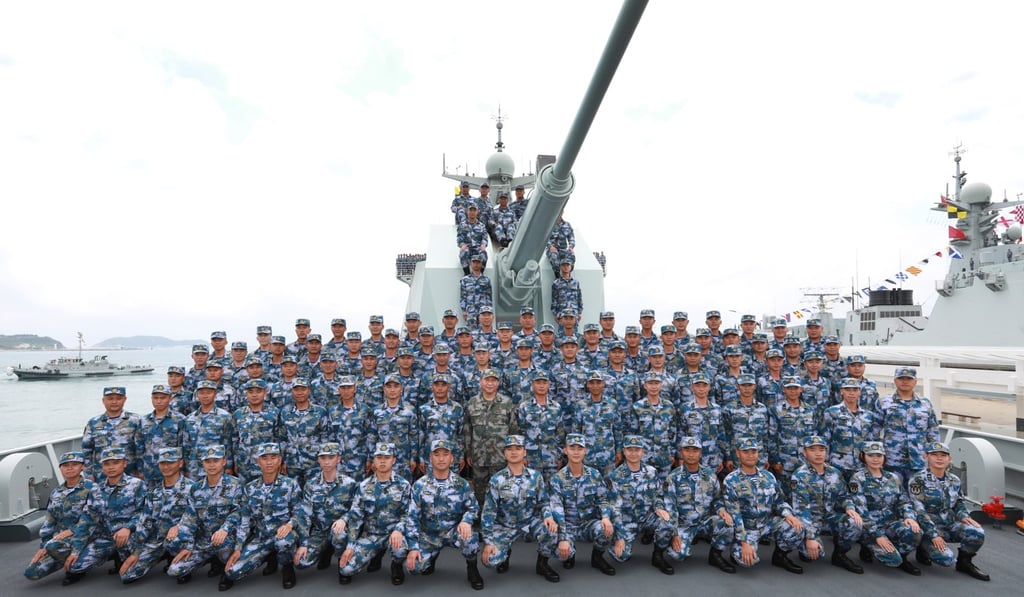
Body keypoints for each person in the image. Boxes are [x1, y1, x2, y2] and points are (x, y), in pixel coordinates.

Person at [401, 439, 484, 590]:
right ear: (430, 458)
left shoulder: (461, 484)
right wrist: (413, 547)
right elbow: (412, 518)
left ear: (451, 458)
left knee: (470, 537)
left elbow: (473, 508)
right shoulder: (419, 485)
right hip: (429, 535)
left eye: (445, 454)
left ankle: (472, 567)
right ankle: (431, 556)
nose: (441, 458)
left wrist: (466, 521)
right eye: (436, 454)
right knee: (413, 568)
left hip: (453, 531)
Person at [479, 435, 560, 582]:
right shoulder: (497, 480)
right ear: (504, 453)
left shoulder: (536, 477)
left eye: (518, 448)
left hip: (529, 523)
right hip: (506, 526)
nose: (514, 452)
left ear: (524, 452)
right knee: (489, 560)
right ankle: (505, 554)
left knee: (552, 530)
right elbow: (488, 513)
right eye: (509, 449)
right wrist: (488, 542)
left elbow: (543, 502)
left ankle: (542, 564)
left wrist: (548, 516)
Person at [223, 442, 302, 590]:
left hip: (283, 535)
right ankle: (269, 556)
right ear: (258, 462)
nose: (269, 462)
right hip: (261, 538)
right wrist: (238, 548)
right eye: (264, 458)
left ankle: (287, 566)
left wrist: (290, 524)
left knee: (283, 542)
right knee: (232, 572)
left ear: (279, 460)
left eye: (273, 457)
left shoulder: (291, 484)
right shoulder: (250, 488)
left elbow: (300, 512)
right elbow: (245, 520)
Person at [64, 448, 147, 583]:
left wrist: (128, 528)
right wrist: (75, 551)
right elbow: (87, 519)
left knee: (128, 576)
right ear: (102, 467)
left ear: (124, 463)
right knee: (74, 567)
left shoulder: (137, 485)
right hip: (107, 537)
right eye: (107, 464)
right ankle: (113, 554)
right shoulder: (97, 489)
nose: (111, 467)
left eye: (115, 463)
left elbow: (145, 512)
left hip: (130, 536)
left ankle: (130, 556)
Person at [909, 442, 990, 581]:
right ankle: (923, 546)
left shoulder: (954, 480)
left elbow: (959, 503)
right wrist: (933, 535)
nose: (939, 458)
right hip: (928, 528)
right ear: (926, 457)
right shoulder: (918, 480)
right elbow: (919, 510)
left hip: (948, 524)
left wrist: (964, 516)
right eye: (934, 455)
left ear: (949, 459)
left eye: (943, 455)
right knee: (946, 560)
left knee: (977, 532)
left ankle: (965, 563)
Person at [167, 444, 245, 590]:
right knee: (174, 569)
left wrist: (225, 529)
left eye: (216, 460)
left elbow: (239, 512)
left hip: (227, 539)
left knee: (227, 557)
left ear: (223, 461)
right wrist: (187, 545)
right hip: (204, 540)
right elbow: (190, 517)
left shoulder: (236, 484)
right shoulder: (196, 488)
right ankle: (207, 559)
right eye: (207, 461)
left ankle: (223, 567)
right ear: (202, 463)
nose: (211, 465)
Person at [721, 438, 804, 573]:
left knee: (796, 528)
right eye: (746, 452)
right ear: (738, 454)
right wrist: (744, 542)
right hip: (747, 528)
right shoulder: (731, 480)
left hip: (767, 524)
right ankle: (737, 550)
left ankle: (780, 556)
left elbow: (779, 501)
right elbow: (735, 515)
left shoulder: (768, 476)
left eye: (753, 452)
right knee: (746, 561)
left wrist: (789, 515)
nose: (750, 455)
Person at [656, 437, 735, 574]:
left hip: (705, 522)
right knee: (677, 555)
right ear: (681, 452)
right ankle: (657, 554)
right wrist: (675, 533)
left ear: (700, 453)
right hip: (683, 525)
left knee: (728, 523)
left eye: (695, 450)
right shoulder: (673, 477)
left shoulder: (709, 475)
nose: (691, 454)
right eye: (687, 450)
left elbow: (717, 499)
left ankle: (715, 555)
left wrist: (722, 511)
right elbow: (670, 508)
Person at [338, 442, 412, 586]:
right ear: (374, 460)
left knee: (400, 550)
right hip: (370, 535)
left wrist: (398, 530)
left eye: (387, 457)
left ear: (393, 460)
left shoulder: (403, 485)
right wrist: (350, 546)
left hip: (393, 534)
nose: (383, 461)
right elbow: (356, 517)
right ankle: (376, 554)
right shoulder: (364, 486)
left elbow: (408, 513)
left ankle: (396, 565)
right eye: (379, 457)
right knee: (345, 569)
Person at [788, 436, 864, 573]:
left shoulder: (835, 473)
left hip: (830, 517)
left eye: (821, 449)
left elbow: (844, 496)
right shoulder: (799, 475)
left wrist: (849, 507)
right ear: (805, 452)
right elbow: (801, 510)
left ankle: (840, 555)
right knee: (812, 554)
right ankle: (803, 546)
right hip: (811, 520)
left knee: (854, 522)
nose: (818, 453)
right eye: (813, 450)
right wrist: (810, 537)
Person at [119, 447, 195, 584]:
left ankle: (181, 561)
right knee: (127, 575)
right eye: (163, 463)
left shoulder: (192, 488)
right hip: (158, 539)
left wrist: (180, 527)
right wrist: (136, 553)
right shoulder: (154, 492)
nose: (166, 467)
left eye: (170, 462)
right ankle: (162, 555)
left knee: (176, 566)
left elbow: (197, 519)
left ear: (180, 463)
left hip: (182, 539)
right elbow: (145, 521)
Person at [847, 440, 923, 575]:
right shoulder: (858, 478)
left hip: (890, 524)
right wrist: (877, 535)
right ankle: (868, 546)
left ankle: (903, 557)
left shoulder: (893, 478)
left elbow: (904, 501)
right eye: (871, 456)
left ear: (884, 457)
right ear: (863, 456)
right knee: (893, 559)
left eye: (879, 456)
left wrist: (909, 517)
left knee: (915, 531)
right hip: (869, 528)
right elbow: (861, 510)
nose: (875, 459)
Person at [23, 451, 99, 584]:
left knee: (62, 554)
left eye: (74, 464)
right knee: (32, 572)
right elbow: (50, 521)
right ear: (60, 468)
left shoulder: (92, 488)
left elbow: (91, 519)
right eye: (65, 465)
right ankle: (71, 558)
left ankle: (78, 565)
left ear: (82, 467)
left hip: (89, 535)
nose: (70, 468)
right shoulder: (56, 493)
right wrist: (43, 547)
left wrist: (72, 531)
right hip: (65, 540)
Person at [547, 434, 617, 576]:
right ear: (565, 450)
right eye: (572, 448)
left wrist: (605, 517)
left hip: (588, 524)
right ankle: (570, 554)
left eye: (580, 448)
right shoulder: (557, 479)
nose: (576, 452)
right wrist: (563, 538)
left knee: (606, 528)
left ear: (585, 451)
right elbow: (557, 510)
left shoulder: (594, 475)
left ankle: (597, 557)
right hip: (568, 526)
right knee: (561, 552)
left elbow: (603, 499)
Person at [293, 442, 357, 572]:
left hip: (340, 530)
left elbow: (356, 510)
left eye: (331, 457)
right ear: (318, 460)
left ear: (338, 459)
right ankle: (326, 550)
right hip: (320, 530)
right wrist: (303, 543)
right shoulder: (311, 485)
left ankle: (341, 558)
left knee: (339, 536)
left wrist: (344, 519)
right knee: (300, 562)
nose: (327, 462)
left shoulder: (350, 484)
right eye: (323, 458)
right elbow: (304, 514)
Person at [605, 435, 665, 572]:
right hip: (627, 521)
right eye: (629, 449)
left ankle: (658, 555)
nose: (633, 453)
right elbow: (614, 508)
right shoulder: (615, 476)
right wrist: (619, 536)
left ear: (643, 451)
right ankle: (623, 542)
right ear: (624, 451)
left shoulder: (652, 472)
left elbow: (659, 495)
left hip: (647, 517)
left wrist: (659, 507)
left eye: (637, 450)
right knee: (620, 556)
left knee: (667, 522)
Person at [874, 366, 939, 484]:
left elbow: (933, 431)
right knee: (894, 491)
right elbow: (875, 430)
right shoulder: (884, 402)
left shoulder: (925, 404)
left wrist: (934, 455)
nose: (905, 381)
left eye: (909, 379)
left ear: (915, 381)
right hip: (892, 460)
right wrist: (877, 455)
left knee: (918, 491)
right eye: (901, 378)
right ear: (895, 380)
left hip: (919, 460)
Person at [465, 368, 518, 508]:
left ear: (498, 383)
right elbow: (467, 430)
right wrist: (468, 453)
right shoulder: (472, 403)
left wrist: (513, 454)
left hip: (500, 458)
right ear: (481, 382)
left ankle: (500, 519)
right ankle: (482, 519)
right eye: (487, 380)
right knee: (480, 494)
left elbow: (513, 430)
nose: (490, 383)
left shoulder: (507, 403)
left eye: (493, 380)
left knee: (502, 492)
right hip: (479, 457)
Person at [81, 386, 142, 480]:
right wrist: (88, 474)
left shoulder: (136, 420)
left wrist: (141, 470)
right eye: (110, 399)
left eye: (118, 398)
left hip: (130, 475)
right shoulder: (94, 422)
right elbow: (86, 450)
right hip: (102, 476)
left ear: (124, 399)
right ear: (103, 400)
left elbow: (141, 448)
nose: (114, 402)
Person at [516, 371, 566, 482]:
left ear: (549, 385)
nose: (541, 386)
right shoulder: (525, 407)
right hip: (531, 459)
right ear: (532, 384)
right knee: (532, 487)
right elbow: (520, 433)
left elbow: (560, 434)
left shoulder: (556, 407)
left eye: (544, 383)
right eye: (538, 383)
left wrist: (559, 457)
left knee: (551, 487)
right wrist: (522, 457)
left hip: (551, 458)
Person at [135, 383, 186, 486]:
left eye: (163, 398)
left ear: (170, 399)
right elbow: (139, 447)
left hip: (172, 470)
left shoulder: (179, 420)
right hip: (149, 471)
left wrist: (184, 469)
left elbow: (184, 446)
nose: (159, 401)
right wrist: (140, 469)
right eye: (156, 398)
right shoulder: (144, 420)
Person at [231, 379, 280, 482]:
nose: (254, 395)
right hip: (244, 464)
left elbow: (280, 439)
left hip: (267, 466)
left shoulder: (274, 413)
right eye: (251, 392)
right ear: (246, 394)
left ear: (265, 393)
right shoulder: (238, 414)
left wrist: (280, 462)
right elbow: (234, 440)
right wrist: (234, 462)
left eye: (258, 391)